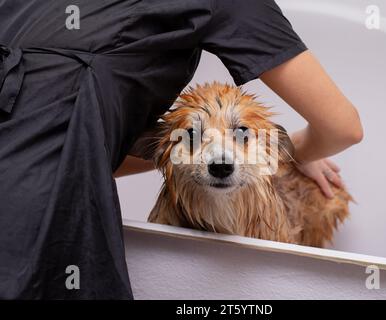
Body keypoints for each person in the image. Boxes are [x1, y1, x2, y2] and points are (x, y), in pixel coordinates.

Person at [0, 0, 362, 299]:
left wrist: (185, 146)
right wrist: (288, 149)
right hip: (35, 214)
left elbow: (86, 152)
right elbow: (344, 128)